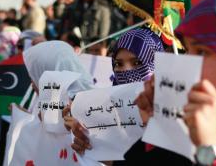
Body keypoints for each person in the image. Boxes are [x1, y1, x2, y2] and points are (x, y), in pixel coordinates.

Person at [136, 0, 216, 166]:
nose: (187, 64)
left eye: (202, 52)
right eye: (187, 50)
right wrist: (156, 127)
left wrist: (211, 149)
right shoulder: (191, 113)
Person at [63, 27, 165, 165]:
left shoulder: (171, 115)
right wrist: (89, 145)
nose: (126, 71)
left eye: (137, 63)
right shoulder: (106, 110)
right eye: (118, 64)